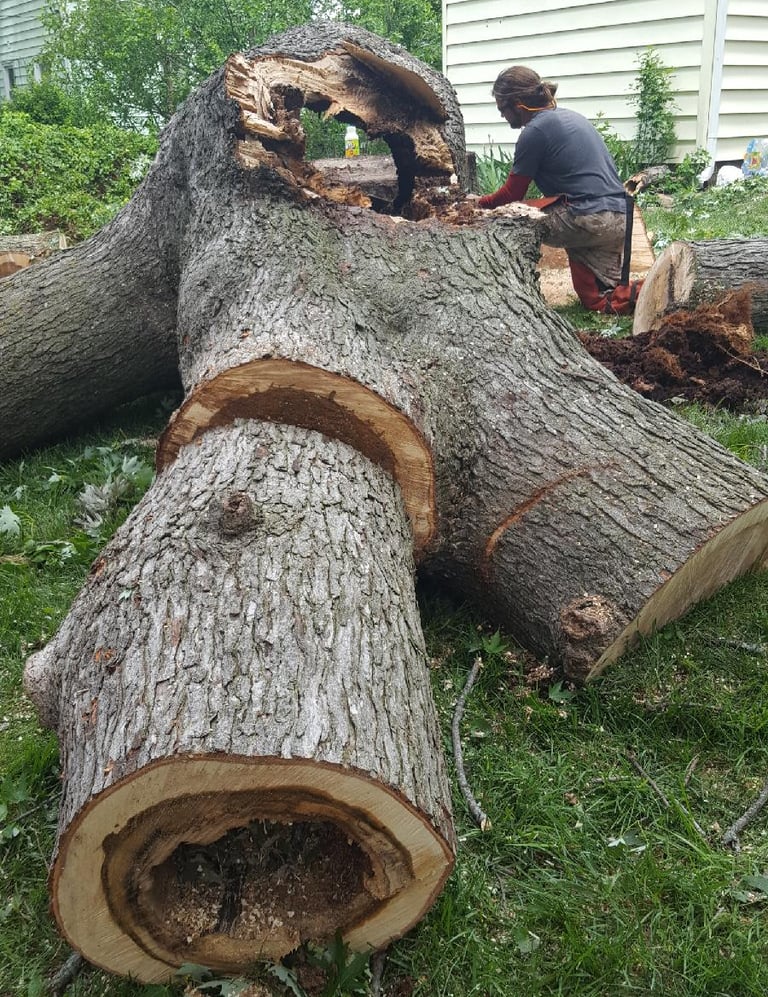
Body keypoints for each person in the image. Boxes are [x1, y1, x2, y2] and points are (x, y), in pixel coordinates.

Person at [478, 65, 642, 315]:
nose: (503, 116)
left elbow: (512, 195)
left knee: (511, 219)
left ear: (518, 104)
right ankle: (654, 292)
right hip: (620, 219)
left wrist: (477, 205)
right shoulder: (571, 117)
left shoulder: (534, 132)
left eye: (503, 109)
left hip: (590, 219)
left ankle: (509, 294)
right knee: (600, 301)